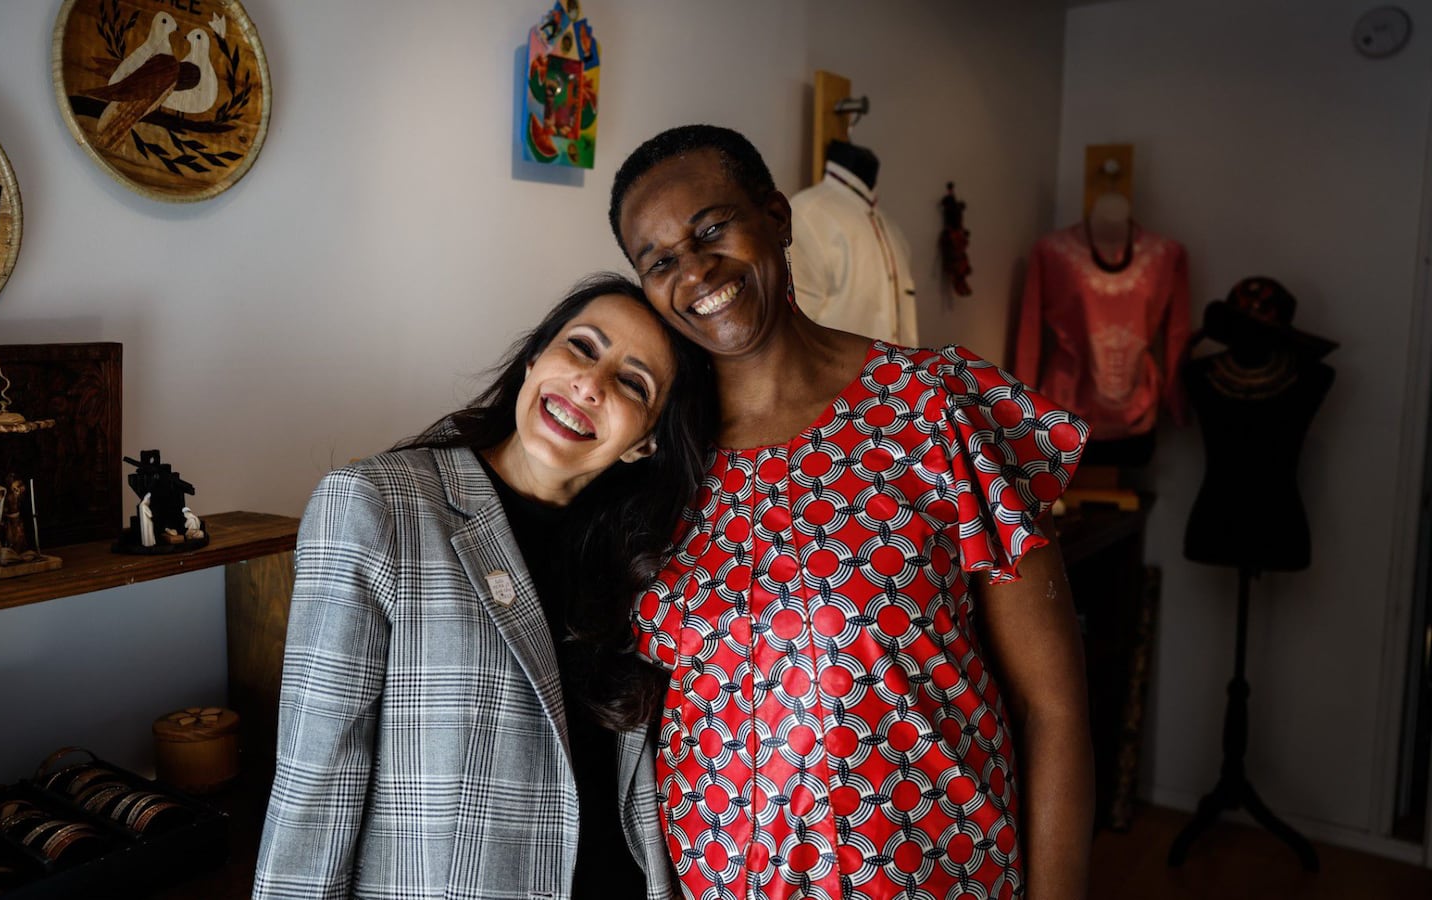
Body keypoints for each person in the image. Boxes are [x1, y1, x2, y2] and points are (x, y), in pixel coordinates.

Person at [609, 125, 1094, 900]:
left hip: (938, 876)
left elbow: (1054, 707)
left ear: (777, 216)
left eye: (712, 228)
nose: (695, 270)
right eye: (660, 260)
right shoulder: (653, 472)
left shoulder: (934, 407)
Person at [254, 274, 718, 900]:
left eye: (633, 383)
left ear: (645, 442)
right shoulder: (377, 506)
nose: (589, 384)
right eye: (582, 347)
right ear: (534, 359)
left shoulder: (645, 562)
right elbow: (316, 783)